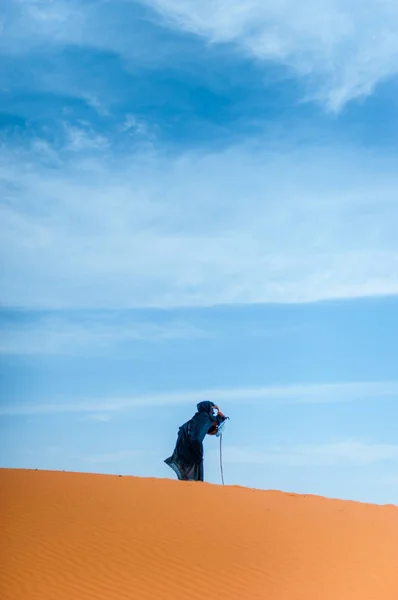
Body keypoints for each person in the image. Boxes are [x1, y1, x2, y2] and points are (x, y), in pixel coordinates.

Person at [164, 401, 227, 482]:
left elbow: (211, 424)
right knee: (196, 464)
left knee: (190, 465)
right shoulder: (206, 417)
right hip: (194, 445)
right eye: (211, 408)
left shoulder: (197, 418)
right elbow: (215, 420)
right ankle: (196, 486)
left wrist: (218, 413)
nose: (212, 411)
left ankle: (190, 485)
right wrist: (220, 413)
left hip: (184, 446)